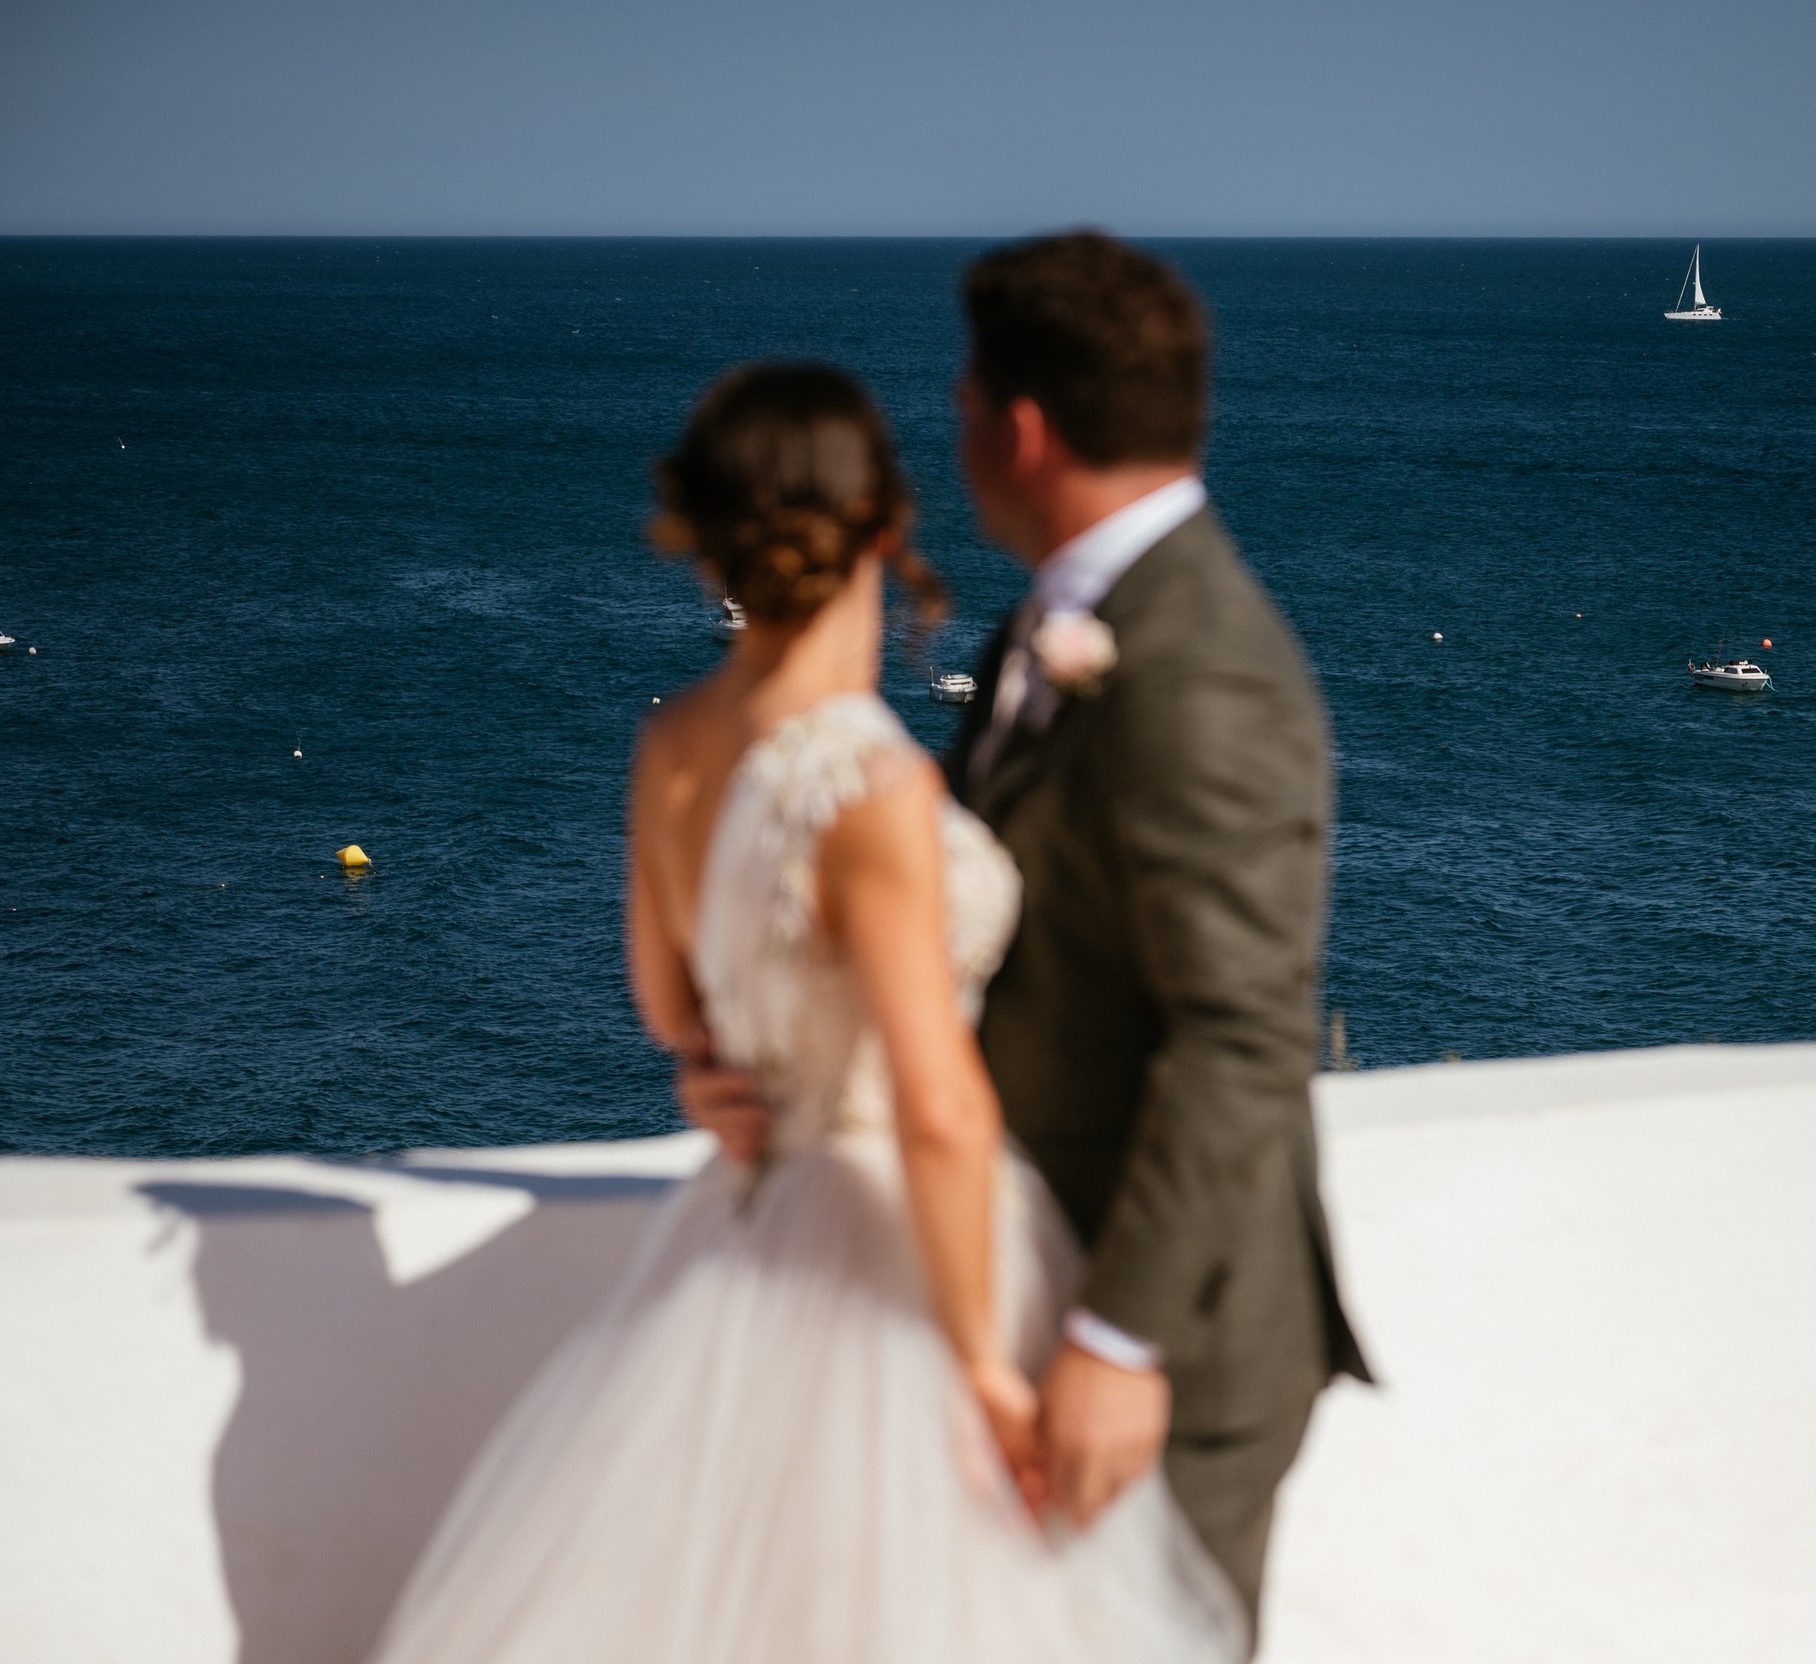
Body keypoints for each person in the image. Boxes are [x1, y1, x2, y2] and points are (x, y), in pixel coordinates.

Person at [370, 363, 1244, 1663]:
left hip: (742, 1234)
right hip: (900, 1263)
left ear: (709, 536)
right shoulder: (866, 782)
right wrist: (988, 1372)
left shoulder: (671, 743)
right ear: (887, 527)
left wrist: (727, 1075)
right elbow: (939, 1109)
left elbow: (676, 1011)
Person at [687, 232, 1371, 1644]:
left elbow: (1241, 1035)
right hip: (1020, 1283)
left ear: (1022, 426)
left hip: (1159, 1344)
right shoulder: (1048, 630)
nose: (952, 426)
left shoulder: (1202, 671)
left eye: (961, 399)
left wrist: (1119, 1344)